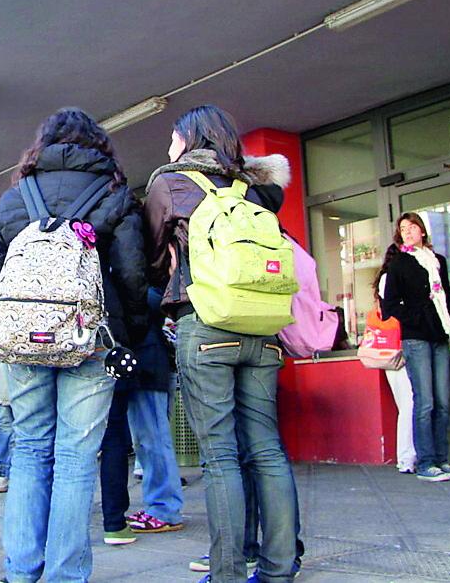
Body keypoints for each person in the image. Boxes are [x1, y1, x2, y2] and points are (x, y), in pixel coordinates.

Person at [0, 108, 147, 583]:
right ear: (99, 147)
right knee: (77, 456)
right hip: (93, 336)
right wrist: (129, 333)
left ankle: (20, 570)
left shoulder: (16, 199)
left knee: (31, 448)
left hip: (24, 341)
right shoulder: (115, 195)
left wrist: (10, 324)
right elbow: (133, 274)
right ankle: (65, 574)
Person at [145, 104, 297, 583]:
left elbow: (148, 257)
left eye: (173, 135)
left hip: (206, 325)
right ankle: (278, 569)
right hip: (263, 330)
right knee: (267, 449)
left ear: (189, 137)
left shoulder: (170, 182)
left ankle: (228, 572)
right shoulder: (256, 188)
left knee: (220, 456)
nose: (169, 144)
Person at [381, 212, 450, 483]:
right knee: (424, 400)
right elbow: (389, 305)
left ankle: (442, 459)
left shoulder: (437, 261)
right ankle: (426, 461)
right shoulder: (399, 263)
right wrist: (416, 316)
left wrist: (448, 321)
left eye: (411, 227)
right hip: (415, 337)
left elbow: (447, 294)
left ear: (422, 231)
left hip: (439, 334)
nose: (407, 232)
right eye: (402, 229)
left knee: (442, 400)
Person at [100, 288, 184, 546]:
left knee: (153, 437)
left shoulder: (143, 276)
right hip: (140, 360)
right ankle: (161, 505)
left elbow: (154, 301)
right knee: (146, 438)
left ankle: (165, 508)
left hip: (147, 361)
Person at [372, 244, 418, 475]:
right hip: (397, 348)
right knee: (409, 402)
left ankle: (408, 455)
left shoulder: (385, 278)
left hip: (392, 348)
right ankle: (406, 456)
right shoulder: (391, 280)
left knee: (407, 403)